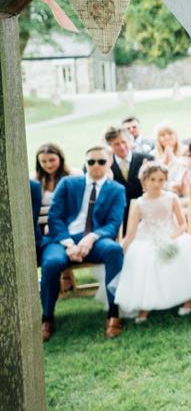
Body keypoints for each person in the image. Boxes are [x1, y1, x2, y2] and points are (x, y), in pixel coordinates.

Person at [39, 146, 126, 341]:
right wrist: (69, 244)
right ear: (85, 164)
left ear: (109, 163)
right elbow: (54, 217)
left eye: (101, 161)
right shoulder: (68, 183)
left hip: (95, 239)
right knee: (52, 263)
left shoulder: (117, 190)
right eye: (91, 161)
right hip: (62, 239)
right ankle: (47, 318)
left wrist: (91, 237)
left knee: (114, 250)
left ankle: (114, 314)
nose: (96, 165)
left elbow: (113, 223)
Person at [115, 163, 191, 321]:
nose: (157, 183)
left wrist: (171, 238)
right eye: (152, 179)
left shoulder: (171, 198)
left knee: (182, 252)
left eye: (161, 180)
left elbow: (183, 225)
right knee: (145, 259)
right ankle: (145, 305)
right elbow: (131, 232)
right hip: (148, 238)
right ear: (145, 180)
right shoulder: (140, 203)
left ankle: (188, 300)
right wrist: (125, 247)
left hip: (172, 235)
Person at [105, 125, 154, 235]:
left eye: (124, 142)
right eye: (116, 144)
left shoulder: (147, 159)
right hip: (118, 219)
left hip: (145, 215)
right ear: (110, 146)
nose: (122, 147)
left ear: (130, 140)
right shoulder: (104, 164)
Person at [35, 142, 76, 209]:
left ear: (60, 158)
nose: (48, 165)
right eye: (43, 161)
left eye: (52, 160)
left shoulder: (73, 176)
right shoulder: (34, 179)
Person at [154, 123, 187, 196]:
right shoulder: (153, 155)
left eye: (170, 134)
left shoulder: (186, 151)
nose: (167, 137)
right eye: (163, 135)